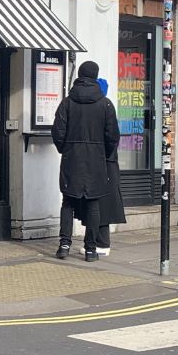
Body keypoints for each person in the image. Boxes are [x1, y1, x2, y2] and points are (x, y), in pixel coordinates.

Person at [51, 61, 120, 262]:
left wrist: (66, 149)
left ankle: (64, 245)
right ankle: (91, 249)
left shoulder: (67, 103)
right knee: (93, 203)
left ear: (79, 75)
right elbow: (113, 136)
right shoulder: (106, 104)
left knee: (68, 202)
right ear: (95, 76)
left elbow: (57, 132)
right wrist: (103, 153)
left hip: (71, 159)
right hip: (96, 160)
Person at [76, 77, 126, 256]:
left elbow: (112, 137)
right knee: (97, 202)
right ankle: (95, 241)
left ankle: (102, 243)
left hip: (102, 162)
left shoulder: (102, 107)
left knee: (100, 203)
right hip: (106, 161)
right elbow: (113, 137)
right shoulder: (105, 106)